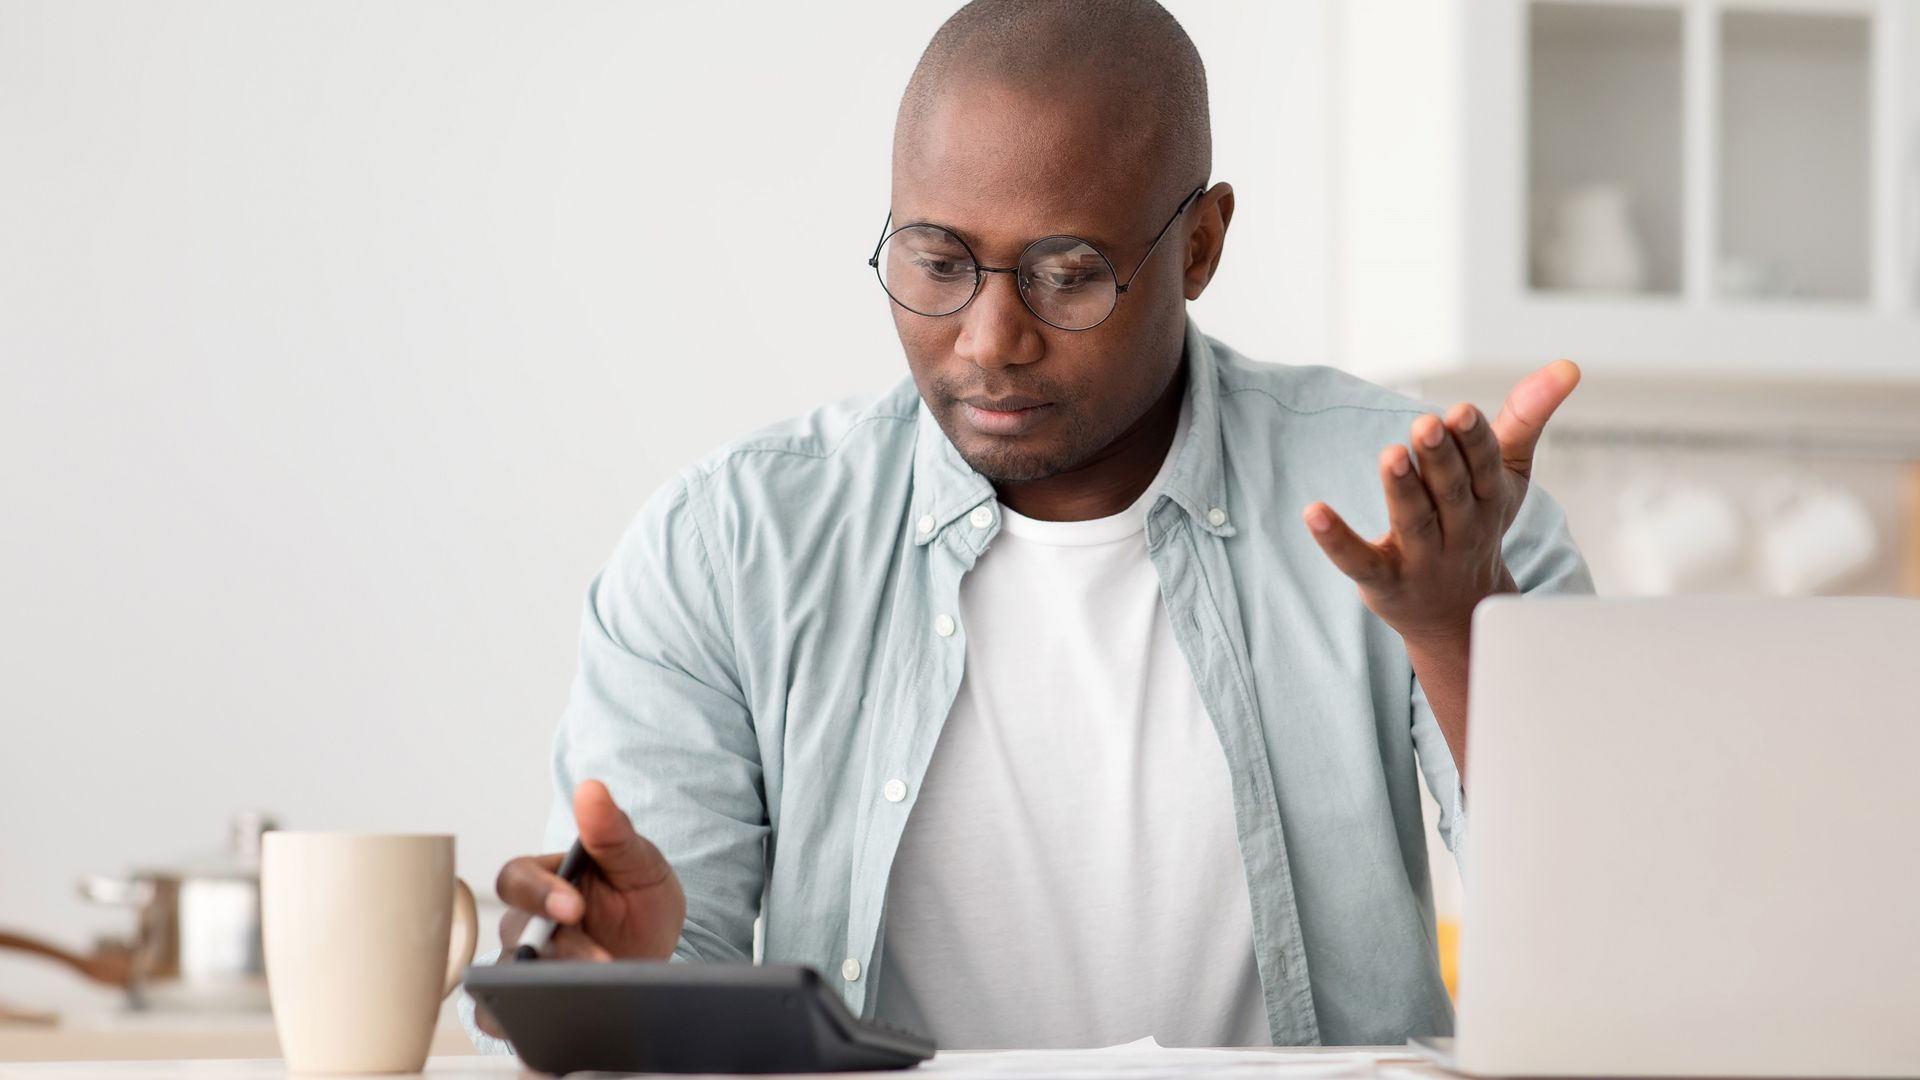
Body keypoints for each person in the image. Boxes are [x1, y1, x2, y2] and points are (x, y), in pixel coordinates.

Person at [471, 0, 1592, 1052]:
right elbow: (671, 1001)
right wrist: (630, 981)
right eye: (939, 263)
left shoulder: (1434, 508)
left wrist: (1458, 634)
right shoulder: (731, 548)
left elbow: (1606, 954)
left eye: (1068, 273)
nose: (990, 339)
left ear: (1200, 245)